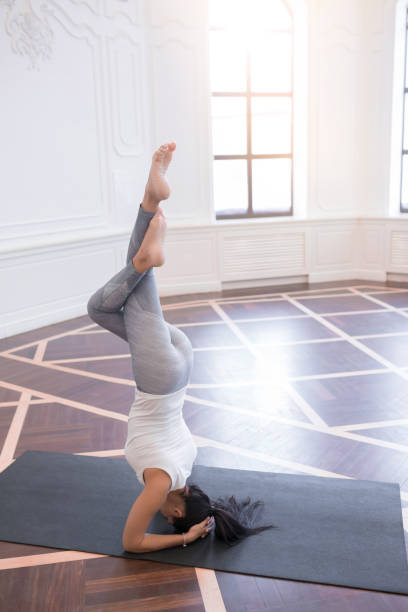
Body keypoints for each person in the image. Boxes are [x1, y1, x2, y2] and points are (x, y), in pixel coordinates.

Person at [87, 142, 275, 553]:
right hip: (159, 375)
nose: (160, 513)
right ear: (173, 512)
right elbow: (131, 542)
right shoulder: (160, 483)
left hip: (180, 363)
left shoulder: (188, 462)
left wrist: (200, 518)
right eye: (170, 518)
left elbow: (178, 500)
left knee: (100, 310)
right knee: (142, 273)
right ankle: (148, 234)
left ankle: (151, 201)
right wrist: (186, 537)